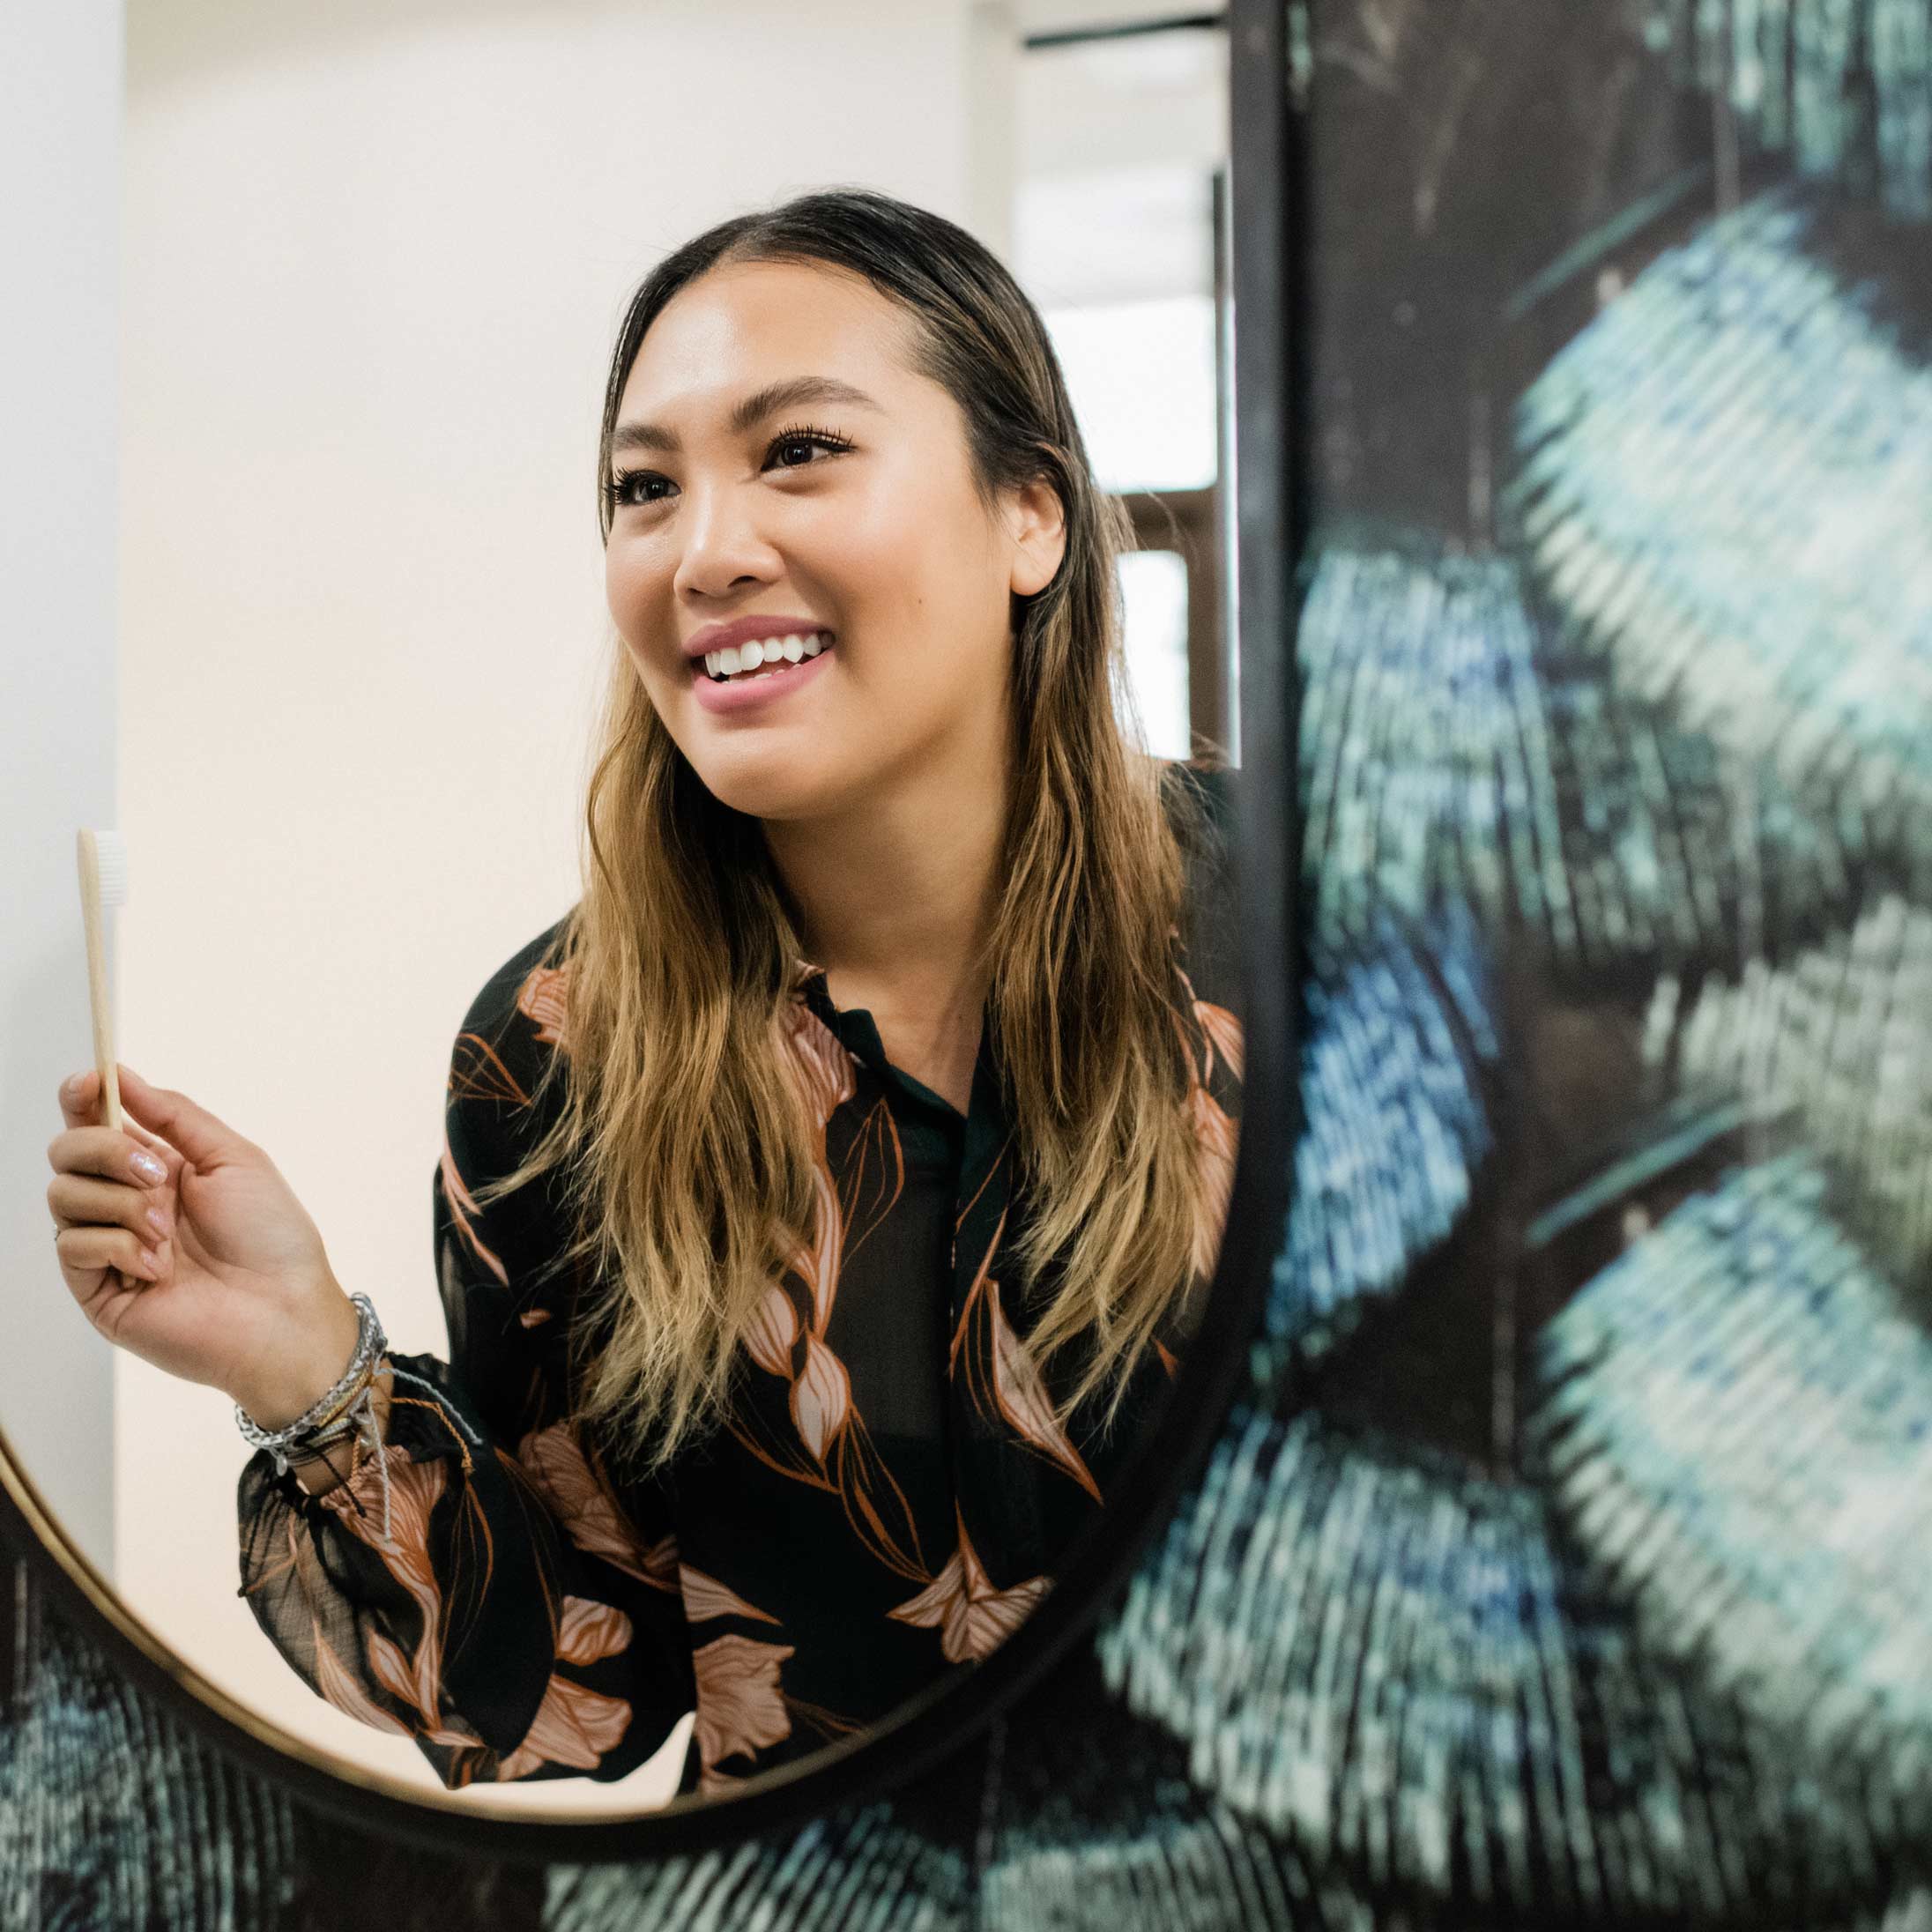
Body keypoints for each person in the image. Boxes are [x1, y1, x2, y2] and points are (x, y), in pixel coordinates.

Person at [45, 188, 1243, 1797]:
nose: (708, 550)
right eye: (643, 488)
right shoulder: (554, 1057)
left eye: (799, 449)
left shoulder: (1311, 925)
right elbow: (580, 1696)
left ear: (1030, 514)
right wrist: (300, 1362)